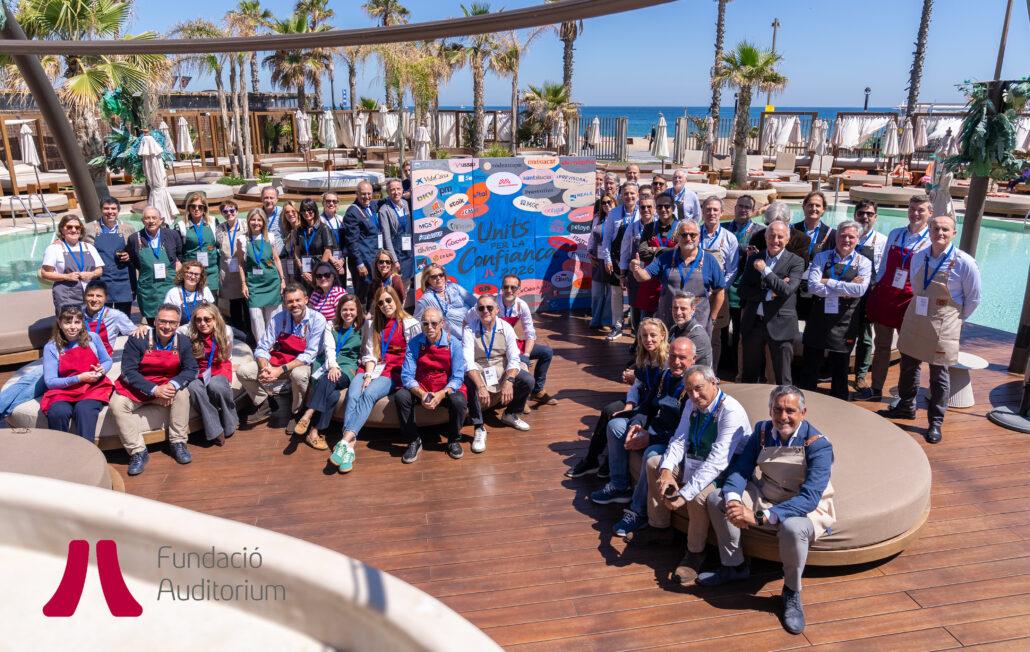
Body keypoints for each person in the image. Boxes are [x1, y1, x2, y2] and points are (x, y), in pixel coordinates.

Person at [699, 386, 835, 636]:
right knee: (717, 498)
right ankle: (734, 566)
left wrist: (758, 516)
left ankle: (792, 593)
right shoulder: (762, 431)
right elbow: (741, 469)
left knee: (792, 528)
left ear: (803, 413)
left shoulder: (819, 446)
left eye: (790, 410)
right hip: (767, 495)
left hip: (805, 507)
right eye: (778, 409)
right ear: (770, 410)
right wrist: (733, 500)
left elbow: (809, 498)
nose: (783, 416)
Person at [633, 364, 750, 584]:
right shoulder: (691, 403)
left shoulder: (730, 411)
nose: (694, 395)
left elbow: (718, 461)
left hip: (725, 469)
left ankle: (695, 553)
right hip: (696, 458)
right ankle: (659, 527)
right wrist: (667, 471)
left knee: (698, 495)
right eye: (689, 390)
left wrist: (684, 494)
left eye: (699, 388)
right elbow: (679, 439)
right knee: (654, 463)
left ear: (714, 383)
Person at [879, 215, 981, 444]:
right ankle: (906, 406)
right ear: (930, 230)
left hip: (945, 321)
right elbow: (916, 287)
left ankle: (935, 422)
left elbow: (974, 299)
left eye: (945, 229)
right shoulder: (920, 256)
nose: (940, 233)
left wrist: (957, 318)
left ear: (954, 233)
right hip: (917, 314)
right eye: (935, 228)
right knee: (909, 365)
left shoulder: (965, 262)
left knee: (939, 375)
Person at [591, 337, 694, 512]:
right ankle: (619, 486)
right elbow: (646, 405)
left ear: (693, 360)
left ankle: (638, 510)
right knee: (615, 426)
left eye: (682, 358)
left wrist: (650, 438)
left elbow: (685, 432)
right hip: (653, 429)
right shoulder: (665, 376)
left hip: (672, 439)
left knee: (650, 454)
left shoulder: (693, 387)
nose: (676, 362)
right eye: (672, 356)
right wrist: (636, 424)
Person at [565, 319, 669, 479]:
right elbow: (637, 386)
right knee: (609, 410)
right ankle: (591, 460)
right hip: (641, 399)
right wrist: (629, 405)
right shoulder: (644, 356)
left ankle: (608, 462)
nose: (648, 339)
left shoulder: (666, 361)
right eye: (643, 336)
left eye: (653, 335)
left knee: (617, 417)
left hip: (653, 406)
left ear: (662, 336)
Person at [109, 303, 198, 475]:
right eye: (163, 321)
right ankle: (138, 452)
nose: (167, 326)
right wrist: (154, 389)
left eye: (172, 323)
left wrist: (173, 385)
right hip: (138, 388)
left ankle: (178, 442)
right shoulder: (138, 339)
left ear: (178, 324)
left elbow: (191, 369)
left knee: (182, 393)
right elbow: (127, 371)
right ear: (155, 321)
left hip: (166, 386)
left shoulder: (183, 342)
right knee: (117, 404)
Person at [863, 195, 932, 400]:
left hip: (910, 301)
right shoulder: (895, 234)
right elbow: (884, 266)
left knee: (909, 352)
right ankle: (876, 389)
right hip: (887, 297)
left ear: (930, 213)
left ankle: (905, 397)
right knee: (882, 346)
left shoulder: (931, 240)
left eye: (920, 210)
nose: (915, 213)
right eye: (912, 209)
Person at [339, 286, 420, 452]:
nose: (385, 305)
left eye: (388, 300)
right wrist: (368, 374)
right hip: (371, 367)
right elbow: (370, 353)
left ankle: (344, 440)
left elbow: (415, 354)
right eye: (381, 303)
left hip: (394, 370)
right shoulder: (374, 324)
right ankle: (349, 445)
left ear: (396, 300)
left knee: (368, 394)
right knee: (353, 394)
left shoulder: (410, 323)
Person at [238, 283, 327, 427]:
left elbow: (310, 354)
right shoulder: (278, 318)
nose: (294, 305)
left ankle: (296, 412)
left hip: (303, 362)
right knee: (243, 372)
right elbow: (262, 347)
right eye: (290, 301)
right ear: (284, 303)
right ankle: (264, 403)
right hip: (280, 359)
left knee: (299, 376)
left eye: (298, 300)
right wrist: (264, 368)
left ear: (306, 299)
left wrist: (280, 370)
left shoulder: (317, 319)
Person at [800, 220, 871, 400]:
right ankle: (806, 399)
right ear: (836, 236)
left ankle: (839, 403)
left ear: (858, 239)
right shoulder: (822, 257)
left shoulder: (864, 262)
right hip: (818, 318)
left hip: (845, 321)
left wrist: (828, 282)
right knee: (810, 364)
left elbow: (860, 290)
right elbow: (813, 287)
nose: (846, 240)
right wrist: (846, 288)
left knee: (840, 367)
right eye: (842, 235)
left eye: (851, 236)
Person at [395, 306, 469, 463]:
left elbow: (457, 376)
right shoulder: (415, 343)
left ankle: (453, 439)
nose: (430, 327)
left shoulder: (453, 343)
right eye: (425, 324)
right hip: (422, 387)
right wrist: (422, 394)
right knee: (401, 396)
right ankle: (413, 440)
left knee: (459, 400)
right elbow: (407, 376)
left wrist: (441, 394)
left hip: (444, 387)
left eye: (434, 323)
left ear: (442, 323)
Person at [294, 295, 364, 458]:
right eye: (344, 309)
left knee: (329, 380)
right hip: (327, 362)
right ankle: (314, 432)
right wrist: (332, 366)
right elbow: (329, 348)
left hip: (348, 366)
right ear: (339, 310)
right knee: (331, 395)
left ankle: (307, 414)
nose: (348, 313)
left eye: (352, 309)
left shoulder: (362, 327)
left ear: (357, 311)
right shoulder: (330, 325)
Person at [463, 294, 533, 452]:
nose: (485, 311)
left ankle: (511, 413)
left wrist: (509, 381)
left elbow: (514, 358)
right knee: (470, 382)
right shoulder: (469, 329)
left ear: (497, 309)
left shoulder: (505, 327)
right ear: (477, 311)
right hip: (478, 367)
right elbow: (467, 361)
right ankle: (479, 427)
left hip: (501, 366)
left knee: (527, 380)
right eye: (481, 308)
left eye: (489, 307)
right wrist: (481, 386)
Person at [738, 220, 805, 385]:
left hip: (781, 325)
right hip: (754, 324)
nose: (775, 240)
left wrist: (765, 270)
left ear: (787, 240)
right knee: (749, 375)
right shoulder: (755, 258)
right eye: (772, 236)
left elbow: (787, 291)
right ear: (766, 237)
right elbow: (742, 290)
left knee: (783, 377)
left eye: (780, 237)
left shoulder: (796, 262)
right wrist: (768, 294)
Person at [629, 219, 726, 332]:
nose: (688, 238)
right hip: (668, 320)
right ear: (677, 237)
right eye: (684, 235)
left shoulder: (709, 260)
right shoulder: (665, 257)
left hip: (699, 323)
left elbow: (720, 292)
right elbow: (643, 276)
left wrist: (712, 319)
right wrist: (636, 269)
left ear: (699, 236)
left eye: (692, 235)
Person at [40, 305, 115, 442]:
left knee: (84, 410)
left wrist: (102, 370)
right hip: (63, 391)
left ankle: (87, 453)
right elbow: (50, 382)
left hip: (92, 388)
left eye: (77, 322)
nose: (73, 327)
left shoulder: (93, 338)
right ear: (59, 323)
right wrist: (79, 378)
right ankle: (60, 450)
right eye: (68, 322)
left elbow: (107, 360)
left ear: (82, 323)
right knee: (58, 412)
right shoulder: (51, 347)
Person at [494, 274, 556, 408]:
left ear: (519, 289)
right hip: (496, 345)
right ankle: (519, 397)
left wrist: (526, 355)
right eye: (506, 287)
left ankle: (537, 391)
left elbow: (529, 332)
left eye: (513, 287)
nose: (509, 290)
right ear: (501, 288)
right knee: (515, 362)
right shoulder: (493, 303)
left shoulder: (521, 305)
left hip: (512, 342)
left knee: (546, 352)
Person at [186, 303, 238, 447]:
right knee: (194, 388)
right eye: (198, 319)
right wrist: (144, 328)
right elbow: (167, 328)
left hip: (219, 366)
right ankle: (215, 430)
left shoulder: (226, 331)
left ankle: (230, 421)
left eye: (207, 319)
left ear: (215, 319)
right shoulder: (189, 333)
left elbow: (227, 354)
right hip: (198, 370)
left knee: (216, 386)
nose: (202, 323)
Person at [851, 201, 888, 397]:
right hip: (845, 292)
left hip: (869, 294)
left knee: (865, 338)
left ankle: (861, 374)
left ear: (875, 217)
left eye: (869, 214)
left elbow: (883, 270)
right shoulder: (846, 234)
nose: (865, 217)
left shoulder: (882, 240)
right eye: (861, 213)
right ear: (855, 214)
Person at [698, 196, 739, 369]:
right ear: (703, 211)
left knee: (714, 336)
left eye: (715, 210)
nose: (711, 213)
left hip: (718, 295)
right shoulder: (694, 234)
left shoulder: (730, 238)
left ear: (722, 213)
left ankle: (711, 372)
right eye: (708, 209)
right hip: (696, 294)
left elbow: (732, 269)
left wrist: (719, 289)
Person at [126, 207, 182, 324]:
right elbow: (135, 262)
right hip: (148, 289)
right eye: (147, 218)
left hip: (169, 286)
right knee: (153, 324)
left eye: (154, 218)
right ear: (142, 221)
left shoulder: (172, 235)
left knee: (171, 321)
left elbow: (179, 254)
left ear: (161, 220)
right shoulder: (134, 239)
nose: (151, 221)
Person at [599, 183, 640, 341]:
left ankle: (636, 326)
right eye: (626, 193)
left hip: (636, 260)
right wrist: (607, 259)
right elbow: (607, 238)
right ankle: (617, 325)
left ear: (637, 195)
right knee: (616, 293)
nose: (629, 196)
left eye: (632, 193)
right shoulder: (614, 213)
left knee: (635, 294)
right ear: (621, 195)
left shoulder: (643, 212)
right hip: (616, 259)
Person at [724, 195, 759, 374]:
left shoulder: (759, 232)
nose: (743, 209)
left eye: (748, 207)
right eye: (740, 206)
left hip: (742, 287)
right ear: (735, 207)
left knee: (739, 328)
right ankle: (722, 361)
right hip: (722, 285)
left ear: (753, 211)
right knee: (721, 326)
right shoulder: (723, 228)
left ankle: (736, 365)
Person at [240, 207, 287, 343]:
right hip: (254, 284)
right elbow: (241, 264)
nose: (256, 223)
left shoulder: (269, 237)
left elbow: (276, 259)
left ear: (264, 222)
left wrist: (282, 279)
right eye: (253, 220)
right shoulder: (243, 240)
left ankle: (273, 344)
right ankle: (261, 346)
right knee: (255, 318)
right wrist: (243, 284)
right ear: (248, 221)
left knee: (273, 318)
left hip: (272, 282)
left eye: (259, 220)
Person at [40, 214, 104, 312]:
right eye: (69, 227)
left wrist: (92, 274)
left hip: (91, 295)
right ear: (62, 229)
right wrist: (66, 277)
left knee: (92, 325)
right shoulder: (54, 249)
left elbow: (100, 270)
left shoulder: (89, 247)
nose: (74, 230)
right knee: (71, 326)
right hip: (67, 296)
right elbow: (44, 273)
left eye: (77, 227)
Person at [83, 196, 135, 314]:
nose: (110, 212)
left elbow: (136, 251)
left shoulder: (128, 228)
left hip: (123, 280)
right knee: (101, 317)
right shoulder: (89, 228)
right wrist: (59, 241)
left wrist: (129, 256)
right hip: (100, 278)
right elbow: (72, 239)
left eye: (113, 209)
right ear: (101, 210)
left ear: (118, 211)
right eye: (106, 208)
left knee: (123, 316)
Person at [634, 193, 679, 326]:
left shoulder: (681, 227)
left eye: (667, 206)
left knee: (671, 322)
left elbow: (680, 252)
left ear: (673, 207)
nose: (663, 209)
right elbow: (642, 253)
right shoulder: (649, 227)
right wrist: (668, 251)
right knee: (646, 322)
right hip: (650, 279)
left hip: (671, 280)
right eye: (659, 206)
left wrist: (656, 250)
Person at [793, 191, 836, 321]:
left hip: (817, 286)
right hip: (794, 284)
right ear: (804, 207)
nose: (814, 208)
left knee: (813, 325)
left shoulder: (832, 234)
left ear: (823, 210)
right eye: (810, 205)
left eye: (818, 205)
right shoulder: (792, 230)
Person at [343, 181, 383, 305]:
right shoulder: (352, 213)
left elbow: (383, 201)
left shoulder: (371, 206)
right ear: (357, 194)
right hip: (363, 261)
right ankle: (360, 321)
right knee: (362, 295)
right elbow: (352, 241)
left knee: (374, 292)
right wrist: (359, 264)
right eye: (363, 194)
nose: (367, 197)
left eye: (369, 194)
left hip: (373, 257)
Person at [215, 199, 250, 338]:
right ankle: (239, 335)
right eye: (225, 211)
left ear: (237, 210)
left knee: (247, 304)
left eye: (232, 210)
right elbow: (218, 246)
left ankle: (250, 334)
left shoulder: (245, 225)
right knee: (234, 305)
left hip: (243, 270)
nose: (229, 213)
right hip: (228, 273)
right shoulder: (220, 229)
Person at [176, 191, 219, 299]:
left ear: (205, 209)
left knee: (212, 305)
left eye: (200, 206)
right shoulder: (181, 226)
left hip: (211, 272)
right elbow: (177, 250)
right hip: (192, 273)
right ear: (188, 208)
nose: (196, 209)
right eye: (193, 206)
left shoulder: (213, 222)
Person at [414, 263, 475, 340]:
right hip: (453, 339)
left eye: (441, 275)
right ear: (427, 280)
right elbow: (417, 324)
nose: (438, 278)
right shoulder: (425, 299)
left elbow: (474, 303)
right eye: (434, 277)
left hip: (472, 329)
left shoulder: (454, 287)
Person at [378, 178, 414, 302]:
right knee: (396, 286)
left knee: (407, 284)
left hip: (408, 251)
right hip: (396, 252)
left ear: (402, 190)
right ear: (388, 192)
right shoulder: (384, 210)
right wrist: (394, 260)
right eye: (392, 189)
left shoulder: (405, 203)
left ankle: (402, 308)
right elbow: (386, 238)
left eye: (398, 189)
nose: (396, 192)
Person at [82, 280, 139, 356]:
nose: (94, 300)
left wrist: (142, 328)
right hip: (80, 359)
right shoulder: (77, 314)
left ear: (106, 298)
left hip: (103, 362)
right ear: (84, 296)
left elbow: (134, 331)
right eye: (90, 295)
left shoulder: (115, 316)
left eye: (99, 296)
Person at [587, 193, 617, 330]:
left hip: (613, 259)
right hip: (598, 259)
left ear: (615, 203)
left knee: (611, 293)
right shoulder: (597, 219)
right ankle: (596, 319)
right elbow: (592, 239)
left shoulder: (619, 219)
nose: (606, 205)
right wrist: (589, 253)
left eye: (609, 202)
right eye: (603, 203)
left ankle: (606, 320)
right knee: (597, 292)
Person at [748, 201, 812, 262]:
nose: (776, 228)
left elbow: (803, 264)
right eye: (771, 224)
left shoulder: (801, 239)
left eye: (779, 224)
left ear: (788, 221)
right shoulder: (757, 237)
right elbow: (748, 265)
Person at [294, 199, 335, 288]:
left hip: (320, 272)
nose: (306, 213)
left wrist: (317, 271)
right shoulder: (299, 230)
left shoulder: (323, 228)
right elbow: (296, 251)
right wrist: (302, 270)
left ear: (315, 210)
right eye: (303, 210)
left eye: (309, 210)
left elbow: (328, 250)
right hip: (304, 272)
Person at [162, 260, 216, 325]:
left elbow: (213, 313)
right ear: (183, 274)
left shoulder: (205, 290)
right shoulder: (173, 293)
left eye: (196, 274)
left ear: (201, 277)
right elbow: (167, 316)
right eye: (190, 273)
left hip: (203, 326)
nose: (193, 277)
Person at [668, 291, 712, 368]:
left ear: (693, 310)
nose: (678, 312)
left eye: (683, 308)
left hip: (696, 377)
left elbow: (679, 364)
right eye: (675, 308)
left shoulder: (698, 335)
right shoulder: (674, 329)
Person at [368, 249, 407, 313]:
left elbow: (400, 300)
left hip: (393, 313)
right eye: (381, 262)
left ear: (391, 264)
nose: (384, 264)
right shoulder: (376, 281)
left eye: (388, 262)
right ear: (376, 264)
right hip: (380, 313)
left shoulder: (395, 279)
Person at [321, 192, 348, 278]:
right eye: (328, 201)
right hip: (327, 260)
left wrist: (342, 260)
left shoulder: (341, 219)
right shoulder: (320, 220)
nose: (331, 203)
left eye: (334, 201)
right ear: (323, 203)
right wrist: (333, 260)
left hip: (341, 260)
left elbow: (346, 241)